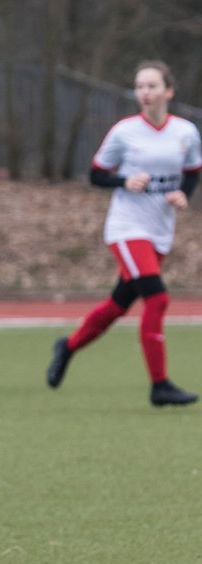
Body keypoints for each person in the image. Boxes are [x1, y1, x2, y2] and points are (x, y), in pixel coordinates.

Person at [47, 60, 199, 406]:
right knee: (157, 299)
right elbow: (96, 175)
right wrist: (124, 181)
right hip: (127, 228)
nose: (144, 92)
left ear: (169, 92)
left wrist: (182, 195)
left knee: (118, 305)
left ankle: (68, 346)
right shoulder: (124, 131)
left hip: (161, 228)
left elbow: (192, 172)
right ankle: (160, 386)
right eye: (140, 86)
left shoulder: (186, 132)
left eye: (152, 86)